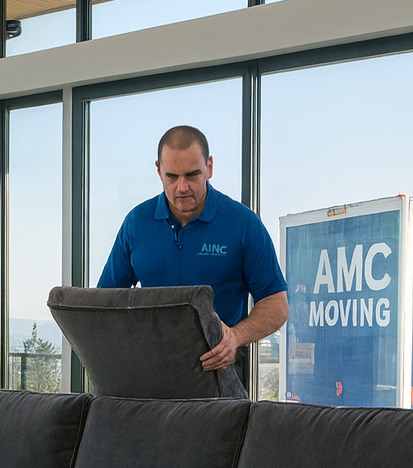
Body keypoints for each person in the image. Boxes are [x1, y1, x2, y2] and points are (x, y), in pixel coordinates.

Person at [97, 125, 289, 384]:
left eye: (192, 175)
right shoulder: (136, 223)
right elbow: (105, 302)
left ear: (209, 167)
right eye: (172, 176)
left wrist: (235, 337)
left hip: (217, 376)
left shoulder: (244, 224)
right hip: (149, 375)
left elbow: (276, 304)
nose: (182, 187)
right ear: (158, 170)